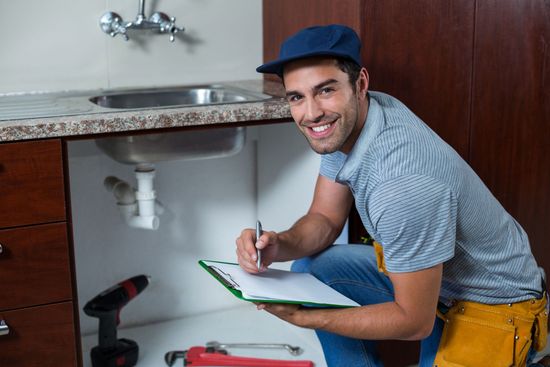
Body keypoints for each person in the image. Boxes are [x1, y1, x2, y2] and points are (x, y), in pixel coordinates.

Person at [235, 24, 549, 367]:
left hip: (491, 310)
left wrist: (307, 317)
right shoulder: (354, 123)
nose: (311, 114)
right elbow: (324, 219)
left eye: (325, 90)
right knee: (314, 266)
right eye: (297, 96)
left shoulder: (401, 183)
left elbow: (413, 321)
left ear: (360, 84)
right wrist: (279, 244)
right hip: (439, 286)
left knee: (340, 302)